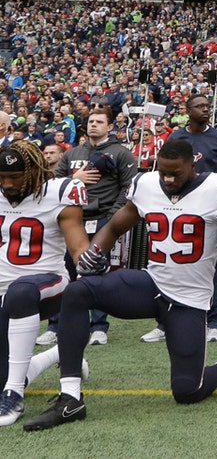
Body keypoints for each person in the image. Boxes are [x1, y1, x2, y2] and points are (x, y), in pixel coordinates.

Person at [22, 139, 217, 431]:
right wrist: (93, 253)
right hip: (151, 285)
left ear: (193, 164)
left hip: (189, 301)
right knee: (78, 290)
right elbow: (114, 226)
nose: (169, 179)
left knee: (187, 391)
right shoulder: (146, 183)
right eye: (163, 172)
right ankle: (70, 397)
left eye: (176, 172)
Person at [0, 141, 88, 427]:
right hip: (3, 292)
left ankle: (13, 394)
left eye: (14, 176)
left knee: (20, 291)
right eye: (1, 176)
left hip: (47, 285)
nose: (7, 183)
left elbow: (78, 246)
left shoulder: (59, 193)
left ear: (35, 171)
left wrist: (88, 260)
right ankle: (58, 353)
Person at [38, 105, 138, 348]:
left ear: (110, 126)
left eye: (99, 122)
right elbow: (52, 184)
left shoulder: (120, 153)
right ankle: (55, 326)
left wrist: (113, 218)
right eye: (91, 121)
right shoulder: (72, 154)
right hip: (73, 220)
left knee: (95, 273)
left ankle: (99, 326)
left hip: (103, 218)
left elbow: (130, 189)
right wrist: (74, 179)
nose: (93, 124)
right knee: (65, 272)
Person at [142, 94, 217, 344]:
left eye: (208, 106)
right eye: (200, 106)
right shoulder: (176, 138)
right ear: (187, 110)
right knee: (169, 264)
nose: (206, 110)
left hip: (208, 209)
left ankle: (213, 322)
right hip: (177, 206)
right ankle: (164, 323)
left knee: (211, 265)